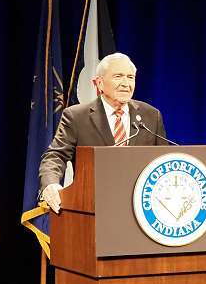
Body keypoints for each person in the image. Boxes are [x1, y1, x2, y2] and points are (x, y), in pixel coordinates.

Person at [39, 52, 167, 213]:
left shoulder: (151, 116)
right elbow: (55, 156)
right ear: (99, 83)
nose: (125, 84)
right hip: (94, 208)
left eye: (130, 77)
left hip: (143, 209)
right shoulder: (77, 117)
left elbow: (163, 160)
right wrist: (51, 184)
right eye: (118, 76)